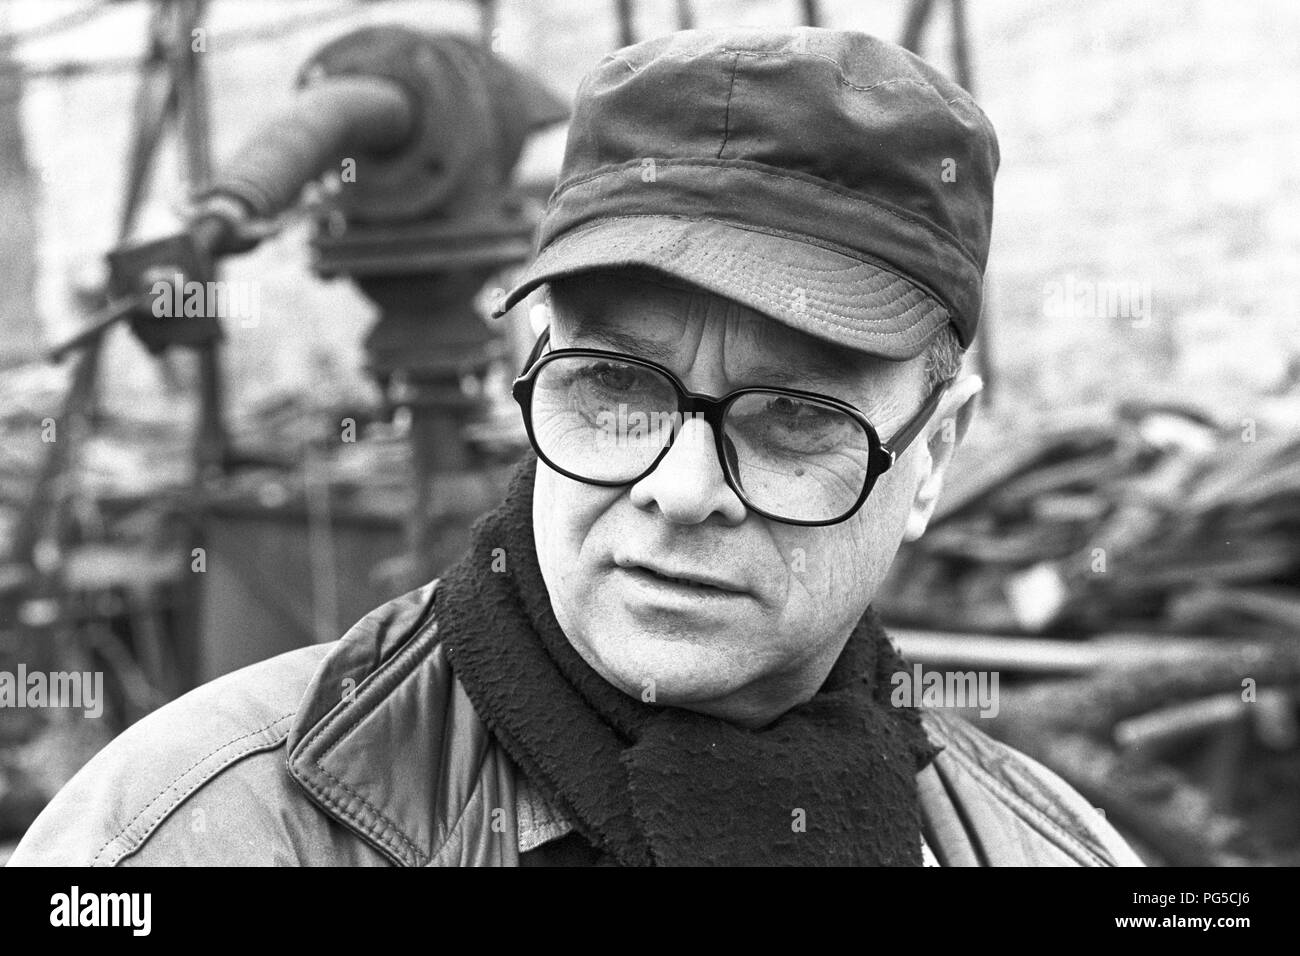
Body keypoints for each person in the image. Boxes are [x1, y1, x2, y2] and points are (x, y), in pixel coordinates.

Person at [9, 27, 1141, 867]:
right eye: (613, 384)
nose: (679, 488)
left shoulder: (1046, 848)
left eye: (795, 414)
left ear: (933, 453)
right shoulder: (180, 836)